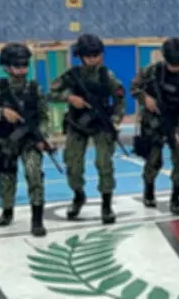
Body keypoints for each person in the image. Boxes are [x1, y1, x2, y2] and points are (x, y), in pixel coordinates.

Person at [49, 34, 126, 224]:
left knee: (104, 163)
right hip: (77, 124)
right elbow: (51, 92)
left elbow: (120, 99)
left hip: (101, 124)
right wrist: (69, 97)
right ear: (81, 56)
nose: (92, 59)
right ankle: (78, 195)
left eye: (96, 55)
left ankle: (106, 204)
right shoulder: (72, 75)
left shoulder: (106, 75)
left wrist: (115, 120)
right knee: (73, 164)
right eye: (88, 55)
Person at [0, 43, 49, 236]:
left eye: (25, 65)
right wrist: (1, 113)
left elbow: (44, 116)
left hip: (29, 140)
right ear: (7, 67)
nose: (22, 69)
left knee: (34, 174)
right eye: (17, 65)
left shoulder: (35, 89)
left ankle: (37, 219)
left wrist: (43, 136)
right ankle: (7, 210)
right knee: (6, 180)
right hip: (5, 141)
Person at [130, 38, 179, 216]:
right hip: (152, 122)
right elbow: (134, 88)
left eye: (178, 64)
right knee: (153, 160)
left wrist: (178, 129)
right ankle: (149, 190)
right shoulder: (151, 71)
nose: (174, 67)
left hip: (175, 123)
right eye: (172, 63)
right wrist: (145, 98)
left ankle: (176, 197)